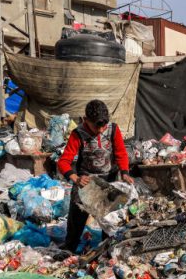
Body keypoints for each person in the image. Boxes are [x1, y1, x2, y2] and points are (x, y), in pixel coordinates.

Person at [57, 100, 134, 253]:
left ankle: (107, 250)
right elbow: (63, 162)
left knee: (109, 219)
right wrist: (76, 179)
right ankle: (70, 248)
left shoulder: (113, 130)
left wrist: (124, 172)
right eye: (96, 126)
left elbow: (121, 153)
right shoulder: (78, 134)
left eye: (103, 126)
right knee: (76, 218)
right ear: (86, 120)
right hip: (86, 182)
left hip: (109, 180)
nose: (100, 130)